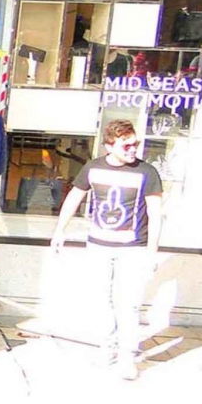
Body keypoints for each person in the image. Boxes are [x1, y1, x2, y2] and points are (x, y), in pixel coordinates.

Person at [48, 119, 163, 380]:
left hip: (133, 248)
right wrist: (59, 231)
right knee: (101, 300)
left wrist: (151, 252)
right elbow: (74, 197)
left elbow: (156, 214)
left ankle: (126, 357)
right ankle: (106, 347)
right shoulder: (93, 168)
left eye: (135, 144)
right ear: (109, 145)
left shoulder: (146, 172)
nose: (133, 149)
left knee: (129, 303)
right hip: (98, 245)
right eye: (126, 145)